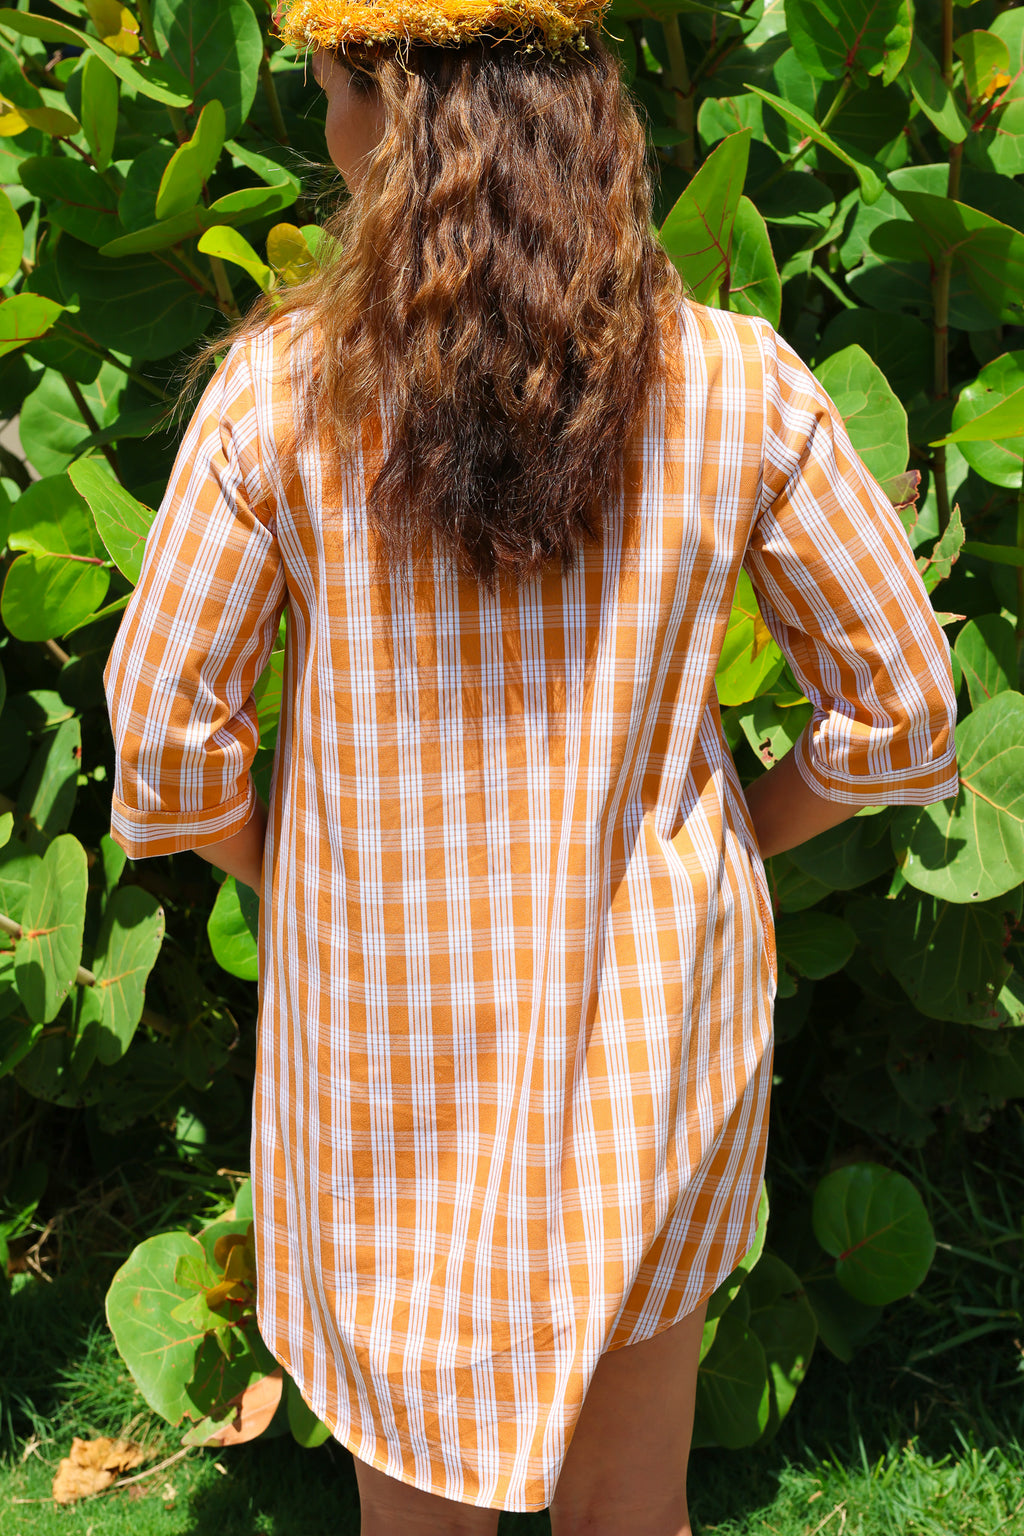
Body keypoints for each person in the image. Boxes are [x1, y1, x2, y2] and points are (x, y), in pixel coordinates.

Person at [103, 2, 959, 1532]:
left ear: (398, 105)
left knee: (413, 1511)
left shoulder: (280, 398)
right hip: (654, 1027)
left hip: (381, 1045)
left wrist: (297, 875)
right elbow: (897, 704)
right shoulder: (737, 387)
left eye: (333, 96)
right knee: (631, 1500)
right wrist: (738, 842)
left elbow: (170, 735)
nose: (329, 135)